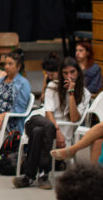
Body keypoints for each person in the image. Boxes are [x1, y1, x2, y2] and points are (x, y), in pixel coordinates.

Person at [14, 57, 90, 189]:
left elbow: (74, 118)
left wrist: (71, 93)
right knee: (46, 127)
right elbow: (48, 112)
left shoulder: (84, 93)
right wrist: (58, 131)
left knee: (40, 132)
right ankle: (43, 174)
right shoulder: (53, 86)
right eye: (65, 73)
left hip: (48, 129)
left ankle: (29, 176)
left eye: (72, 72)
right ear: (61, 74)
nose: (69, 76)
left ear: (78, 72)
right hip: (37, 119)